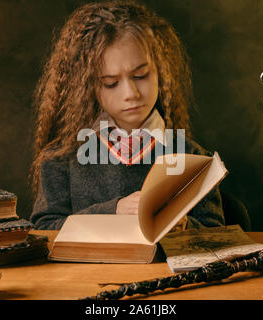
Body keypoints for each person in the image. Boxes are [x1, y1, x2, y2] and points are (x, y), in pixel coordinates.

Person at [29, 0, 225, 230]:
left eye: (141, 75)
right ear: (87, 88)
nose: (131, 94)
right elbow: (44, 229)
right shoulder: (59, 160)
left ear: (160, 72)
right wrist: (114, 211)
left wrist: (183, 226)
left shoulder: (191, 157)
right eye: (111, 83)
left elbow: (216, 233)